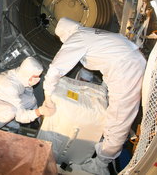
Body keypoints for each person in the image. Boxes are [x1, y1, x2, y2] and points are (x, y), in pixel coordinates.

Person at [43, 17, 147, 174]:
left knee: (118, 118)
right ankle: (105, 151)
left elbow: (55, 69)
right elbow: (100, 59)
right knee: (118, 115)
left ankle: (101, 164)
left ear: (64, 34)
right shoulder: (88, 33)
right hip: (130, 62)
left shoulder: (77, 38)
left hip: (126, 69)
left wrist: (47, 97)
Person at [0, 56, 55, 129]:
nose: (38, 79)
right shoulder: (9, 86)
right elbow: (21, 117)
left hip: (1, 97)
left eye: (38, 76)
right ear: (28, 74)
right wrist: (40, 111)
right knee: (10, 112)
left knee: (31, 100)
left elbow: (31, 99)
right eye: (36, 77)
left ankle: (5, 119)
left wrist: (40, 119)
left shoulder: (22, 76)